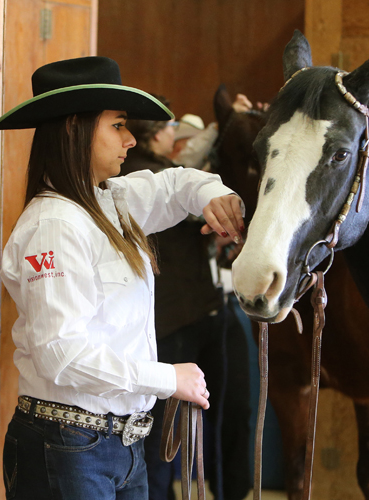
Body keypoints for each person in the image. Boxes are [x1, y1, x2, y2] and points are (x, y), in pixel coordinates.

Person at [0, 56, 245, 499]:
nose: (129, 139)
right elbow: (62, 353)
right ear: (75, 128)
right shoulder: (54, 226)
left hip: (115, 446)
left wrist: (216, 196)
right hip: (68, 446)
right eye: (118, 125)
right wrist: (168, 378)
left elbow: (177, 185)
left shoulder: (111, 202)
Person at [121, 104, 247, 500]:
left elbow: (187, 176)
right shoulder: (137, 176)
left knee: (191, 427)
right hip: (175, 323)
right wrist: (220, 126)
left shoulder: (148, 170)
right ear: (156, 132)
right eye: (171, 126)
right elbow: (182, 178)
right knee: (168, 432)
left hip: (195, 314)